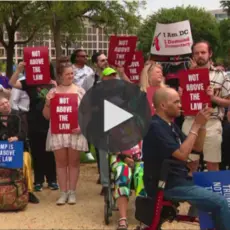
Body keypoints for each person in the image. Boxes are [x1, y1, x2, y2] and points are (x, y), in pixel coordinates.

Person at [143, 87, 230, 230]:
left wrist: (202, 125)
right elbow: (183, 154)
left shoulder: (170, 125)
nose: (180, 105)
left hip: (180, 180)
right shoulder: (155, 126)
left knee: (222, 194)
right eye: (176, 102)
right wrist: (195, 124)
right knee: (221, 202)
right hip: (168, 184)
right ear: (163, 105)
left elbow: (197, 147)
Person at [43, 56, 88, 205]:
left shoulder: (80, 91)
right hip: (58, 132)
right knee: (61, 163)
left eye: (72, 73)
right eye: (68, 74)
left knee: (74, 163)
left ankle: (72, 192)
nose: (71, 76)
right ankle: (63, 192)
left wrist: (82, 126)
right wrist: (48, 103)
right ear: (60, 75)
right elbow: (47, 116)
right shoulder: (53, 92)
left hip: (75, 132)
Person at [9, 62, 58, 192]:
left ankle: (52, 179)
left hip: (50, 120)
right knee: (37, 151)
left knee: (51, 151)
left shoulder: (53, 83)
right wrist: (19, 69)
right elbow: (12, 83)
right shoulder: (29, 82)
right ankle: (38, 180)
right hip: (34, 121)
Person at [181, 40, 230, 172]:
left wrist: (213, 98)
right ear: (193, 55)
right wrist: (181, 94)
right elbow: (181, 102)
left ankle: (213, 192)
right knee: (190, 163)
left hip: (212, 122)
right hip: (191, 120)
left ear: (210, 54)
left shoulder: (222, 76)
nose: (200, 55)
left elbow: (228, 101)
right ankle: (191, 190)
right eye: (196, 53)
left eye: (203, 52)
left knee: (212, 163)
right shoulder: (186, 76)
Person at [0, 96, 39, 204]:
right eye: (2, 104)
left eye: (6, 102)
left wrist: (16, 138)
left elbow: (24, 131)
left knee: (25, 161)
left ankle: (28, 191)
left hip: (19, 148)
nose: (5, 105)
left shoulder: (19, 115)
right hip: (2, 149)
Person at [111, 142, 145, 230]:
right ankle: (123, 218)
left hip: (140, 160)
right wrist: (124, 157)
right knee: (123, 173)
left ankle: (144, 218)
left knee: (142, 174)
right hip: (119, 159)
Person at [71, 49, 95, 161]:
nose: (85, 58)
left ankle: (87, 150)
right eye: (83, 56)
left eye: (86, 56)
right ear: (76, 57)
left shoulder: (90, 70)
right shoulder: (71, 70)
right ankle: (74, 149)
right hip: (73, 100)